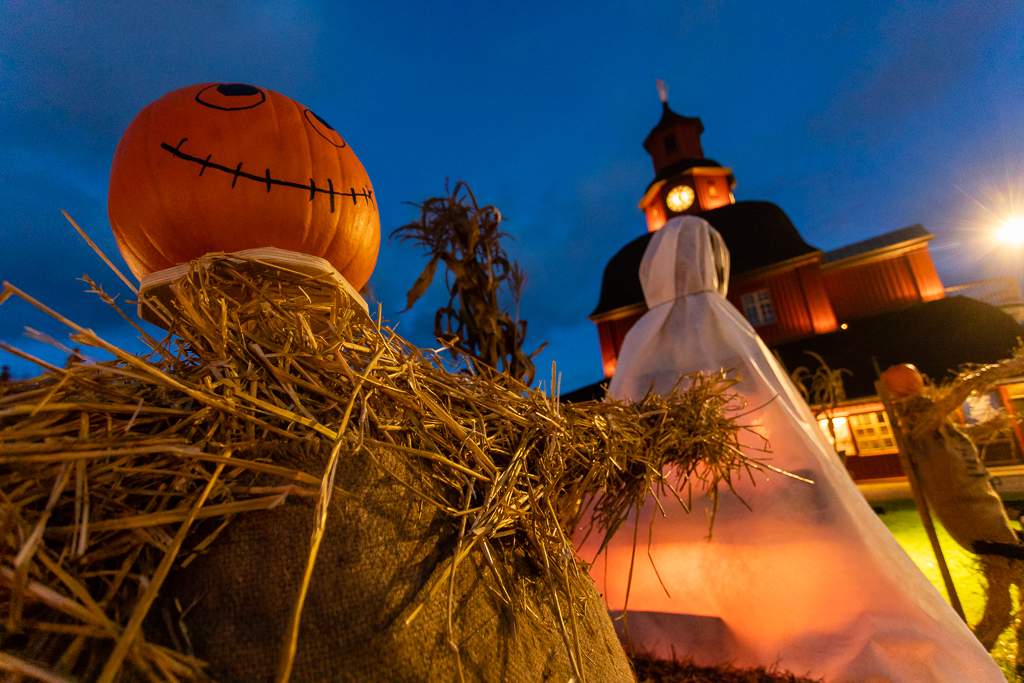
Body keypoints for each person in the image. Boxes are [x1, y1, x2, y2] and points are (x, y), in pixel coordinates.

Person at [883, 362, 1024, 653]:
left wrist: (996, 422)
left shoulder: (933, 427)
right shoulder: (922, 421)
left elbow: (955, 443)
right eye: (916, 377)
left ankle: (1005, 648)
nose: (922, 379)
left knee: (1014, 586)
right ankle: (981, 647)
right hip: (982, 526)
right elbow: (954, 396)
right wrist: (999, 370)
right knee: (1004, 594)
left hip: (985, 518)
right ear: (912, 383)